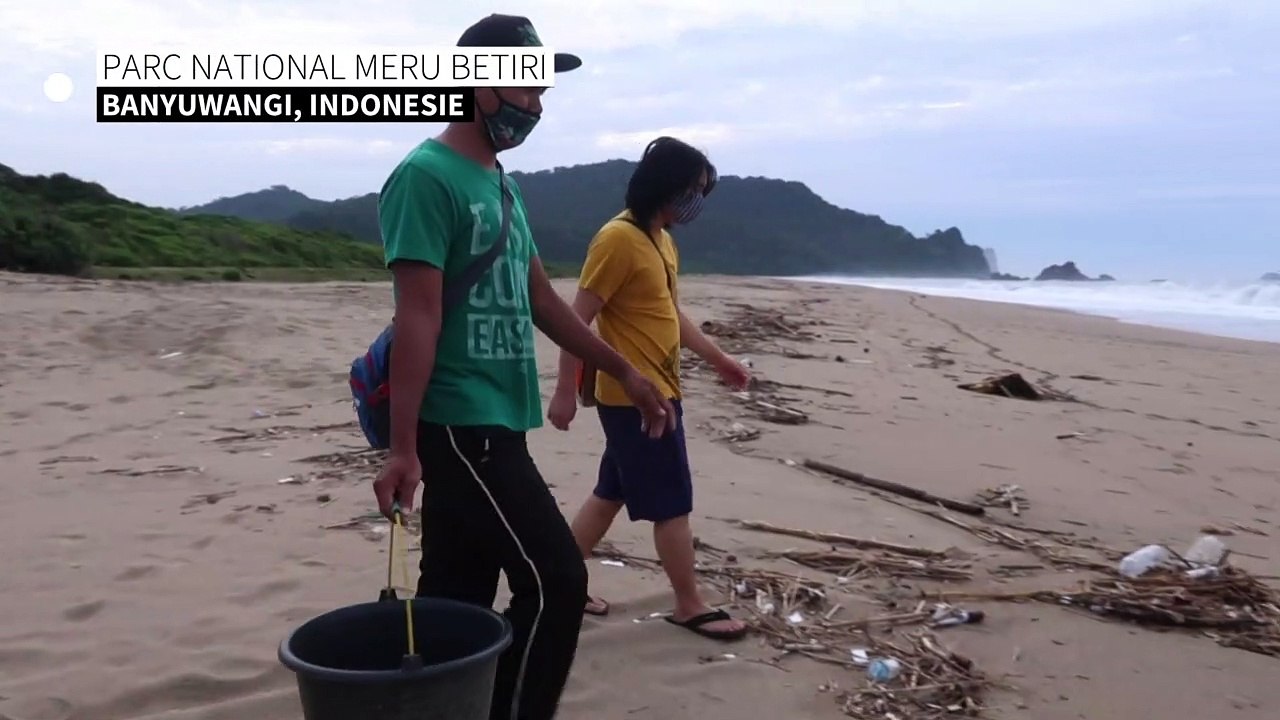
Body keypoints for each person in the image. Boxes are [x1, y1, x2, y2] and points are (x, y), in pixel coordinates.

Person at [370, 15, 677, 720]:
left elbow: (541, 300)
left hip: (501, 417)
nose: (536, 105)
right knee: (558, 582)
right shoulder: (424, 178)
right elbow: (418, 315)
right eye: (526, 87)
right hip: (460, 425)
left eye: (542, 92)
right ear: (477, 86)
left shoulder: (501, 186)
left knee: (457, 593)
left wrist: (624, 372)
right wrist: (403, 448)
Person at [546, 137, 752, 641]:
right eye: (693, 189)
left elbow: (669, 315)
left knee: (609, 493)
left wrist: (720, 360)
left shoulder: (660, 239)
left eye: (702, 191)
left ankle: (557, 587)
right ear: (667, 184)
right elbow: (575, 321)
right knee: (672, 503)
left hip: (660, 390)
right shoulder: (617, 240)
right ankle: (689, 603)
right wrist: (565, 391)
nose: (697, 200)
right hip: (638, 401)